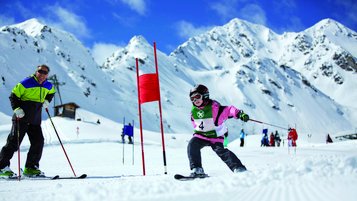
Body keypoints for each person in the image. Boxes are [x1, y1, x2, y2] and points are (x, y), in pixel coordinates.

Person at [0, 65, 55, 177]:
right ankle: (2, 167)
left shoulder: (48, 85)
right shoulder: (26, 82)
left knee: (38, 142)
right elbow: (13, 96)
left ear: (47, 75)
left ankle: (31, 168)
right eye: (40, 71)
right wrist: (16, 109)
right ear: (36, 71)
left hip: (35, 119)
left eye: (45, 72)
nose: (42, 74)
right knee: (14, 142)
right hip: (22, 117)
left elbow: (51, 93)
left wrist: (47, 100)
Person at [187, 84, 249, 177]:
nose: (195, 100)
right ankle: (197, 169)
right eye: (192, 99)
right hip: (201, 135)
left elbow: (229, 110)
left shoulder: (215, 109)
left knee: (222, 151)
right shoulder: (193, 111)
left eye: (197, 97)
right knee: (192, 145)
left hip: (215, 136)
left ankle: (239, 168)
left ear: (205, 96)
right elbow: (194, 122)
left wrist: (239, 114)